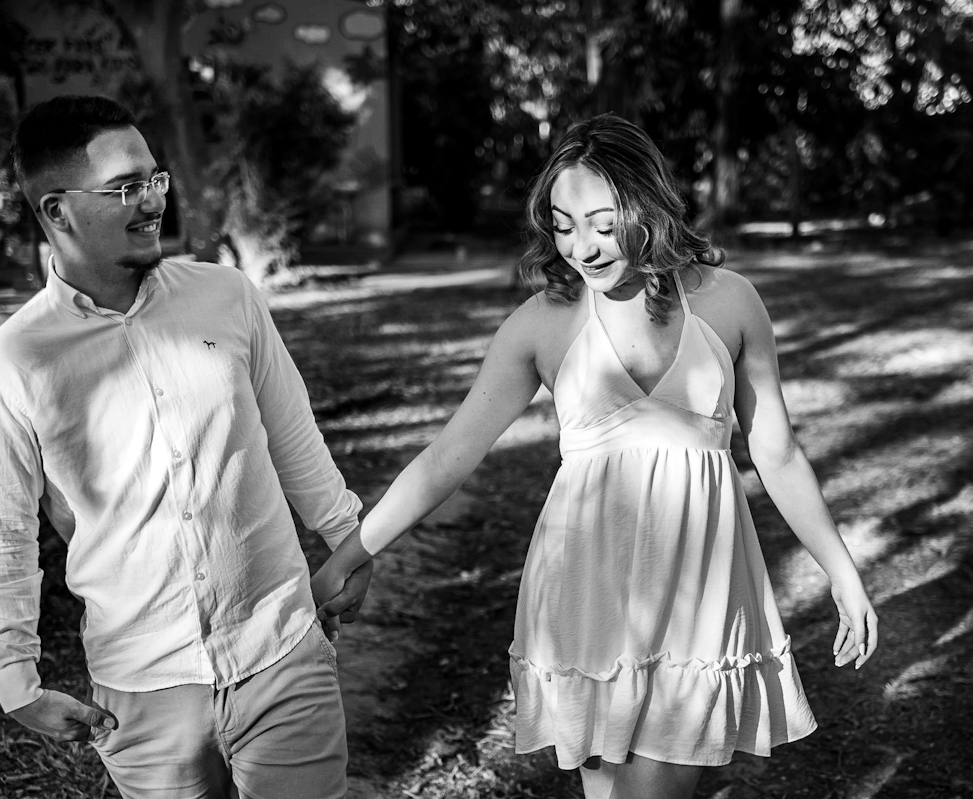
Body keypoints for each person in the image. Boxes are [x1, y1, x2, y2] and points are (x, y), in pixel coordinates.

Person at [313, 113, 879, 799]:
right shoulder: (543, 322)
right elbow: (448, 456)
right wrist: (351, 552)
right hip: (585, 593)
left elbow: (777, 451)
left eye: (603, 225)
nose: (581, 246)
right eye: (563, 225)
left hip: (698, 593)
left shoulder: (729, 302)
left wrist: (841, 570)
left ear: (648, 208)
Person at [0, 95, 372, 798]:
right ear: (57, 211)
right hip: (141, 694)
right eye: (124, 188)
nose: (152, 202)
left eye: (154, 179)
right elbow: (7, 532)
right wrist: (14, 679)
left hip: (281, 651)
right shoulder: (17, 360)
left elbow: (291, 431)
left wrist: (346, 537)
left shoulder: (228, 295)